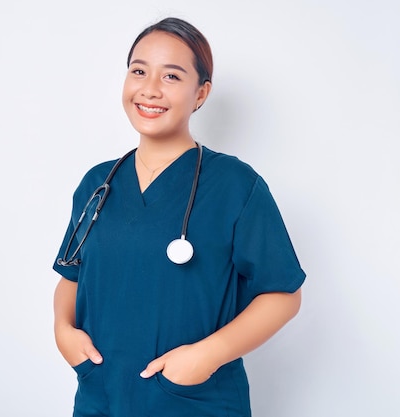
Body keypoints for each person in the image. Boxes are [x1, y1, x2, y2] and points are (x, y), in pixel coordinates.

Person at [52, 17, 305, 417]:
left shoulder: (235, 185)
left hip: (194, 402)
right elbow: (72, 275)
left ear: (200, 93)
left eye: (171, 76)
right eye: (139, 71)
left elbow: (283, 294)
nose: (149, 89)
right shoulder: (98, 183)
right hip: (102, 396)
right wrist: (63, 331)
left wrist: (207, 356)